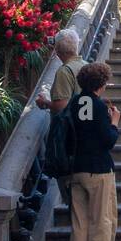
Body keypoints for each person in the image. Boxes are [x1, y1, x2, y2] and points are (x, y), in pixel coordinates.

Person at [68, 62, 121, 241]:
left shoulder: (75, 103)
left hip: (76, 169)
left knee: (79, 224)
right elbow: (107, 140)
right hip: (99, 170)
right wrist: (115, 122)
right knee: (102, 222)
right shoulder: (99, 107)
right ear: (102, 83)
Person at [36, 28, 86, 205]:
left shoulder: (65, 71)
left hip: (69, 139)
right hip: (85, 136)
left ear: (57, 50)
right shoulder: (86, 66)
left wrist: (45, 103)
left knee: (73, 199)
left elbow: (62, 106)